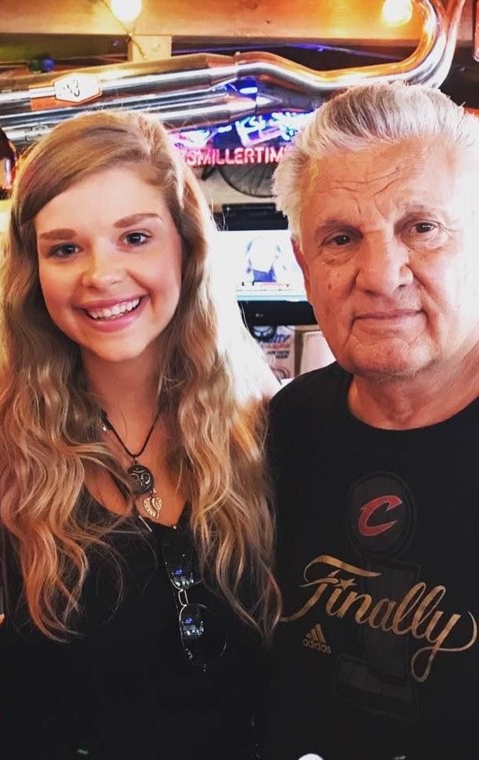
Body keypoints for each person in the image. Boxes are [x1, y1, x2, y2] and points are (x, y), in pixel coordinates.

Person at [0, 109, 281, 759]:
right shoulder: (0, 427)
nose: (102, 275)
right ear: (33, 273)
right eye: (65, 248)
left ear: (186, 245)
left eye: (135, 237)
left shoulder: (257, 422)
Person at [261, 82, 479, 760]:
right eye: (342, 238)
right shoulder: (290, 427)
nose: (381, 275)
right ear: (304, 265)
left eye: (423, 227)